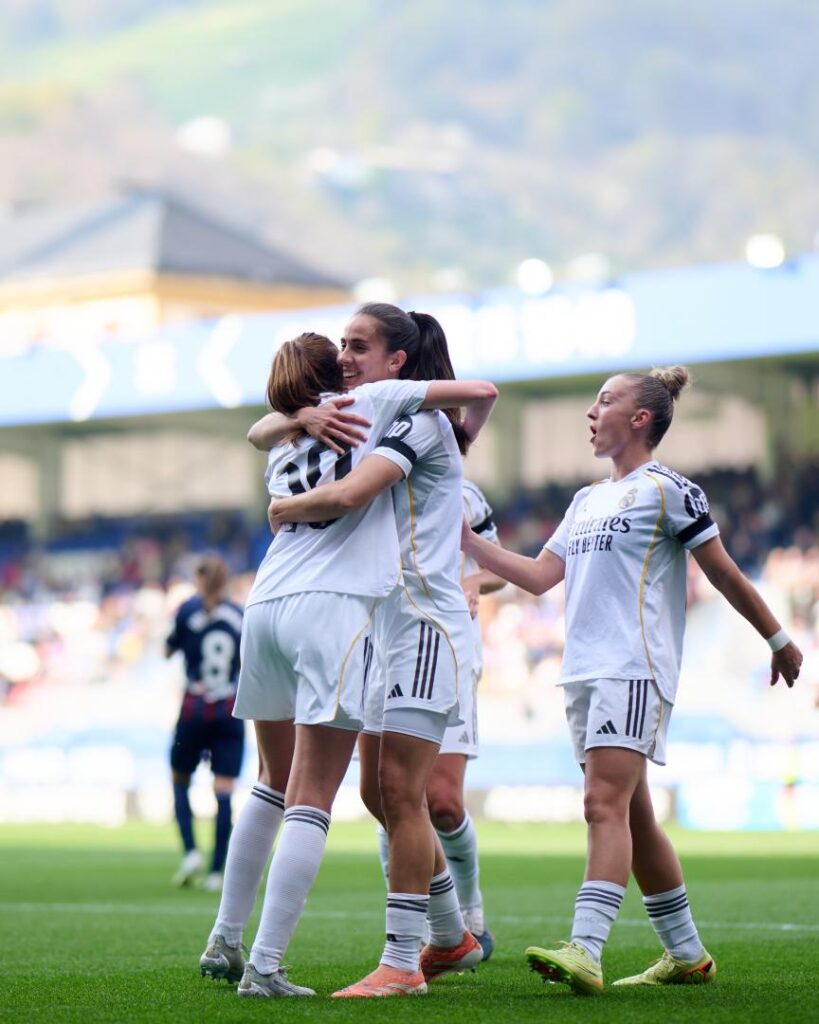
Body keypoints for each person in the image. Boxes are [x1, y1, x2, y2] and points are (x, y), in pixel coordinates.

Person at [460, 366, 802, 996]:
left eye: (604, 400)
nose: (592, 411)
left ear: (640, 418)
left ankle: (585, 949)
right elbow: (538, 577)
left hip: (634, 668)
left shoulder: (670, 490)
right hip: (583, 674)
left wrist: (778, 639)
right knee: (635, 815)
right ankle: (687, 954)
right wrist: (468, 544)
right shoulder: (585, 500)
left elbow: (723, 572)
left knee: (601, 805)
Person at [201, 327, 497, 998]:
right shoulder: (375, 408)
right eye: (342, 352)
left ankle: (226, 936)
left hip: (266, 601)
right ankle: (267, 966)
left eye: (359, 343)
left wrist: (289, 453)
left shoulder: (284, 439)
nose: (349, 357)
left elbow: (257, 430)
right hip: (332, 610)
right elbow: (475, 396)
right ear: (331, 378)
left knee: (276, 783)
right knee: (319, 794)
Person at [372, 479, 505, 959]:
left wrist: (473, 580)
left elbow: (498, 567)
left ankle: (470, 911)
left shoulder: (465, 493)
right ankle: (428, 929)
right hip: (386, 644)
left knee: (443, 802)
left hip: (449, 647)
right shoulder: (375, 477)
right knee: (393, 795)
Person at [166, 555, 245, 892]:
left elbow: (168, 651)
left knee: (180, 779)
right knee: (224, 791)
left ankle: (190, 851)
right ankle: (216, 871)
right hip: (229, 709)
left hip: (194, 710)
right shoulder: (240, 616)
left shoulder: (187, 611)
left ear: (199, 581)